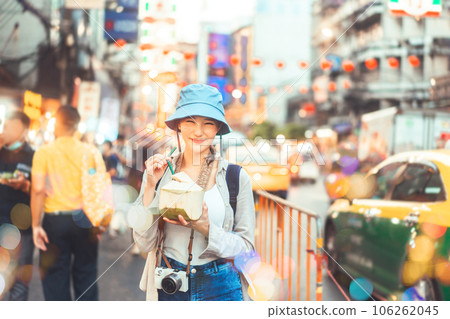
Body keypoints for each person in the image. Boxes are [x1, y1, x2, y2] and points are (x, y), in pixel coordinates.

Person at [132, 84, 255, 301]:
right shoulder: (160, 172)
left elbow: (246, 251)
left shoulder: (235, 178)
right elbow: (144, 243)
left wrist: (207, 228)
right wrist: (150, 186)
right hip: (171, 283)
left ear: (217, 128)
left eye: (208, 123)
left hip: (221, 287)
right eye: (190, 121)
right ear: (179, 125)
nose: (198, 131)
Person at [31, 106, 103, 301]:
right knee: (86, 275)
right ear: (77, 126)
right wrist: (102, 222)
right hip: (86, 219)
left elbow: (37, 190)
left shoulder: (44, 152)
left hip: (55, 221)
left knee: (55, 278)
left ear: (57, 125)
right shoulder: (91, 152)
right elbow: (100, 189)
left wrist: (36, 225)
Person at [0, 111, 34, 301]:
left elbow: (42, 193)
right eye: (6, 126)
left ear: (25, 131)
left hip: (22, 230)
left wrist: (25, 185)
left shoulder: (34, 156)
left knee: (19, 281)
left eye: (13, 128)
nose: (8, 131)